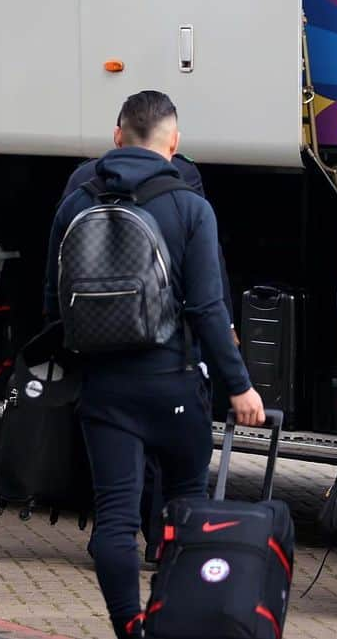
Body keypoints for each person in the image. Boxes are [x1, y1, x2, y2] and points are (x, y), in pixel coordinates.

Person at [44, 90, 266, 639]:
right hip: (175, 386)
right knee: (185, 511)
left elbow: (53, 300)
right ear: (175, 141)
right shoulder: (190, 205)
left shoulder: (77, 199)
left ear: (117, 135)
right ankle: (174, 619)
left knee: (115, 518)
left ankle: (130, 628)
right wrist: (240, 386)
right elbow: (208, 307)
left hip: (105, 390)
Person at [59, 150, 238, 564]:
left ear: (119, 134)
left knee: (116, 493)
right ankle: (168, 555)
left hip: (101, 360)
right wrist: (233, 368)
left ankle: (121, 594)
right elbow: (206, 281)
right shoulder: (186, 185)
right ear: (170, 139)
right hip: (170, 359)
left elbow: (57, 284)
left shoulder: (81, 186)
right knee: (180, 475)